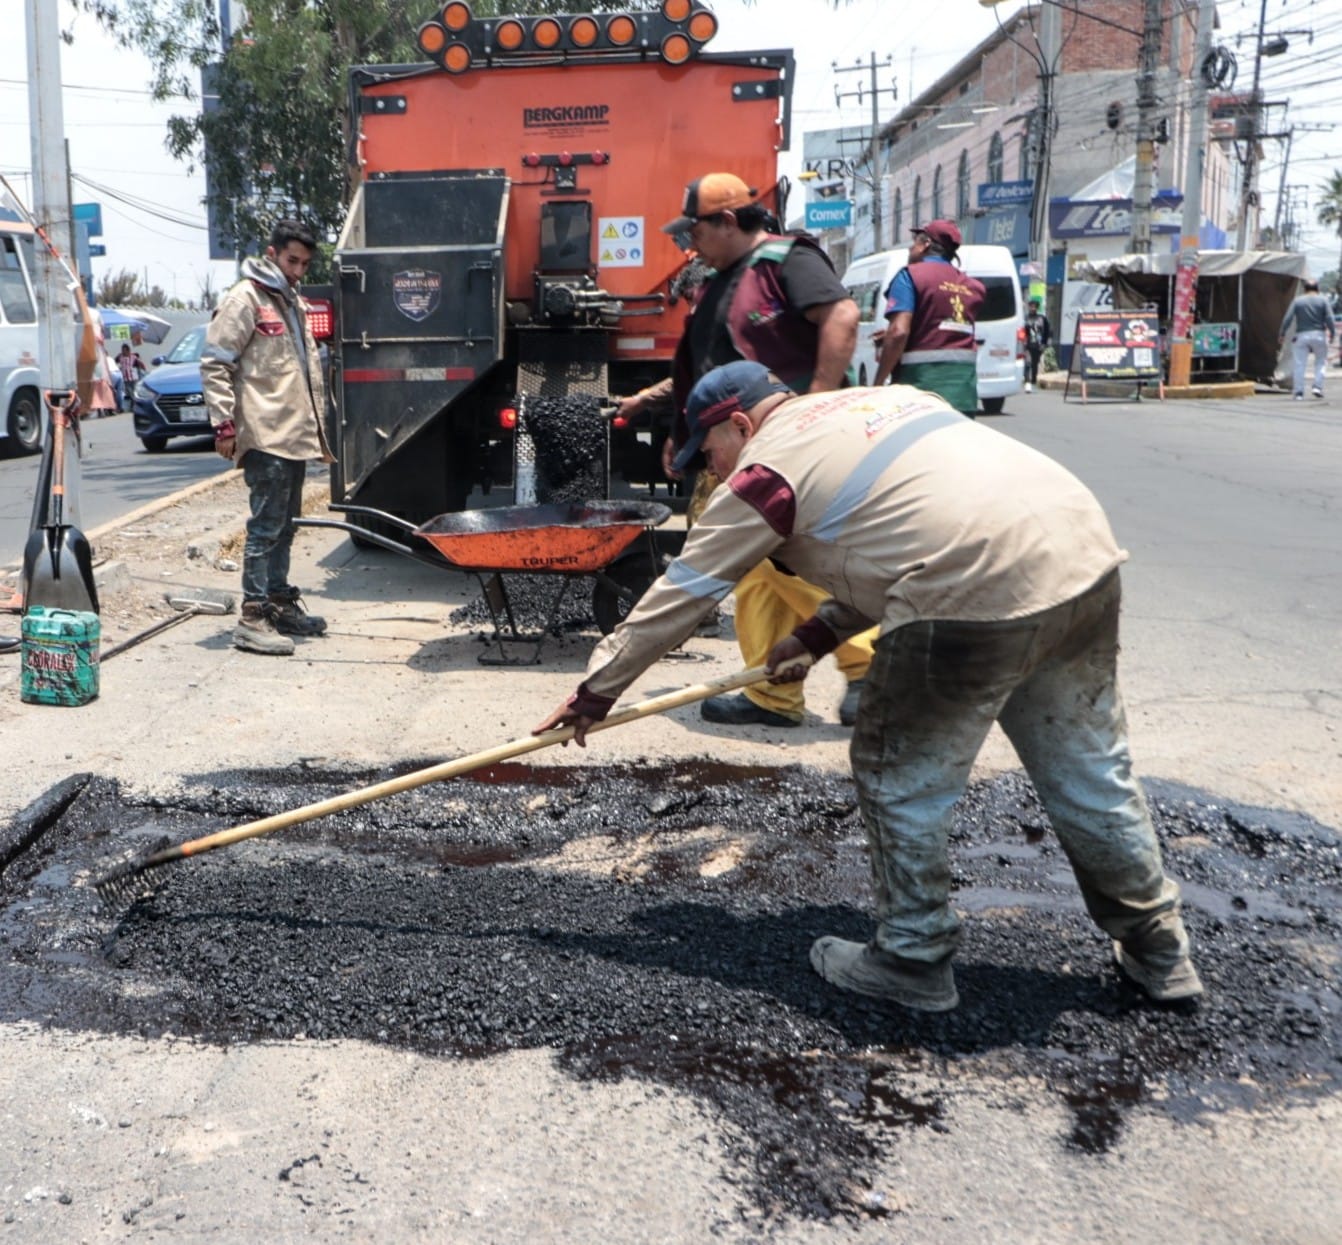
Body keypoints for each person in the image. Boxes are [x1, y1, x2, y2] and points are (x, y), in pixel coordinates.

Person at [538, 360, 1203, 1013]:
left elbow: (686, 591)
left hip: (971, 585)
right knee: (1089, 770)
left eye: (708, 451)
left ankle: (912, 958)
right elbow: (901, 531)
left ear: (740, 424)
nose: (709, 469)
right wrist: (817, 636)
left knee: (899, 770)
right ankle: (1159, 951)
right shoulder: (877, 405)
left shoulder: (767, 470)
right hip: (1079, 555)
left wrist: (598, 689)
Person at [616, 171, 872, 729]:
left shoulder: (786, 261)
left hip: (784, 445)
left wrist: (815, 407)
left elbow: (842, 316)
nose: (690, 243)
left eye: (697, 230)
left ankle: (870, 663)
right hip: (738, 443)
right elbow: (710, 373)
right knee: (754, 571)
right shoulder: (721, 283)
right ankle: (773, 693)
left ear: (728, 221)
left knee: (778, 557)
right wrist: (671, 423)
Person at [202, 219, 333, 656]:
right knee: (265, 528)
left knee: (286, 526)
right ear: (272, 253)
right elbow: (216, 363)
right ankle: (252, 617)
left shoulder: (290, 302)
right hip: (265, 433)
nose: (297, 269)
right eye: (291, 260)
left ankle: (278, 603)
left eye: (304, 263)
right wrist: (224, 425)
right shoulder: (246, 299)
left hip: (293, 434)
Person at [873, 220, 985, 417]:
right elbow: (942, 328)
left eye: (914, 242)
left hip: (920, 392)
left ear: (925, 245)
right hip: (963, 395)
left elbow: (899, 332)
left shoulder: (910, 276)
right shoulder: (973, 287)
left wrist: (878, 384)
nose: (910, 248)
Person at [1278, 278, 1335, 400]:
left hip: (1301, 335)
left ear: (1305, 289)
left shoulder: (1298, 301)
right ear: (1317, 289)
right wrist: (1332, 333)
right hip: (1319, 334)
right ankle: (1317, 387)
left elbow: (1287, 318)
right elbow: (1330, 318)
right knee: (1320, 362)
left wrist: (1282, 333)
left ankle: (1298, 392)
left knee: (1299, 364)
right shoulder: (1323, 301)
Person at [1023, 297, 1051, 392]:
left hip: (1038, 345)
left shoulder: (1042, 318)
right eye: (1031, 306)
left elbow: (1047, 332)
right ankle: (1027, 382)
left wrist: (1045, 343)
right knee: (1028, 363)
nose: (1033, 308)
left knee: (1035, 364)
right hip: (1028, 344)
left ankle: (1033, 381)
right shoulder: (1025, 318)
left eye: (1034, 307)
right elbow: (1022, 331)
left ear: (1037, 308)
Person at [117, 343, 146, 411]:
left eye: (124, 350)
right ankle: (133, 405)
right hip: (125, 378)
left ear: (128, 350)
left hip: (133, 377)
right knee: (129, 392)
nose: (123, 352)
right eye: (122, 350)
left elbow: (140, 364)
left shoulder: (133, 357)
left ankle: (133, 406)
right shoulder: (120, 357)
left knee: (133, 392)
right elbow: (115, 361)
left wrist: (143, 371)